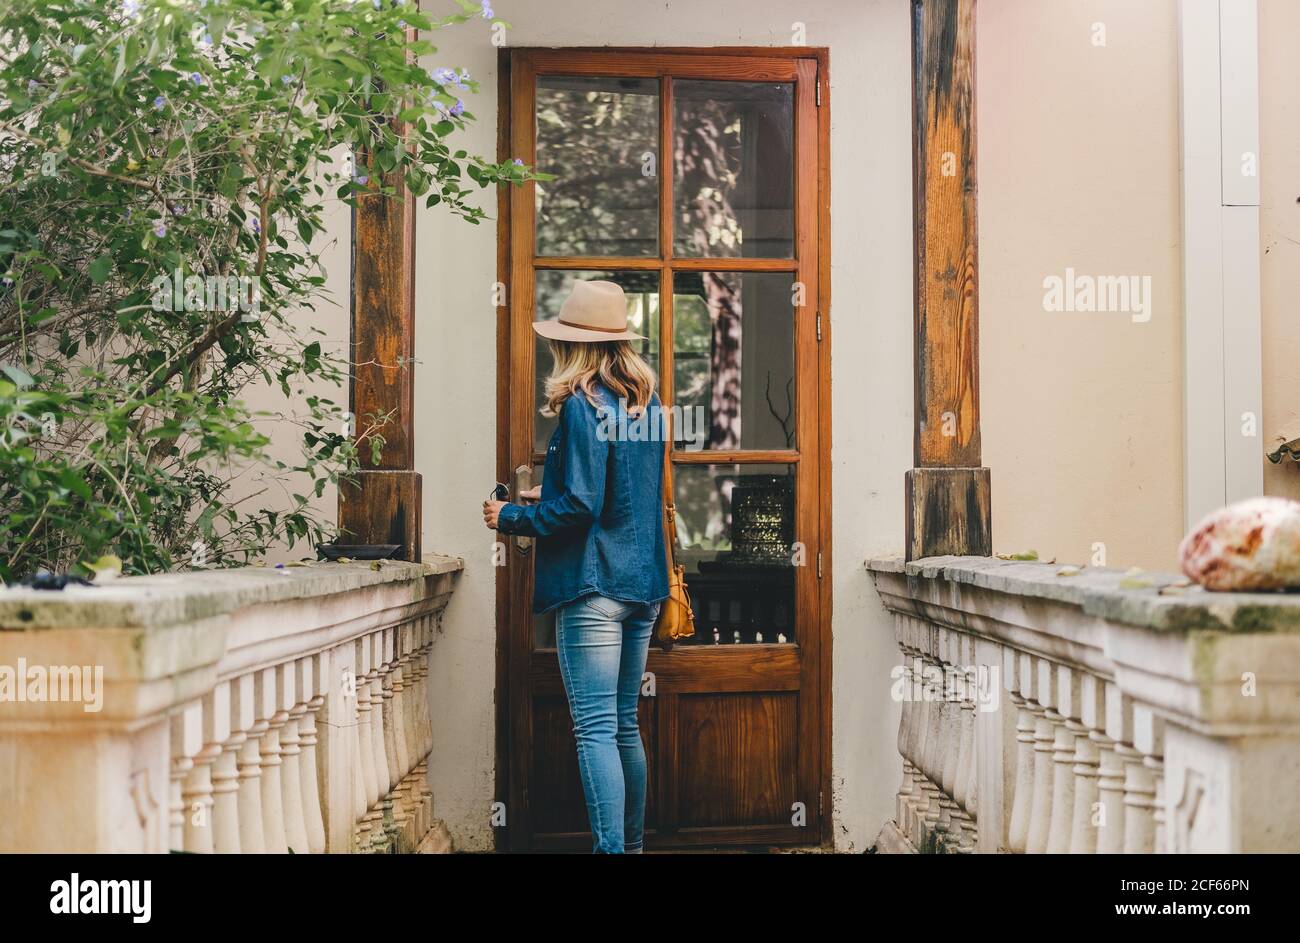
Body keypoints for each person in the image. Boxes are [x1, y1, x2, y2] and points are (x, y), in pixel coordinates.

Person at [483, 279, 669, 854]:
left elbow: (585, 506)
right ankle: (630, 850)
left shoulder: (583, 406)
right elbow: (625, 490)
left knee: (593, 731)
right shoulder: (646, 403)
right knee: (622, 726)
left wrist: (511, 515)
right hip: (643, 585)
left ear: (574, 347)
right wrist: (549, 491)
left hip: (595, 590)